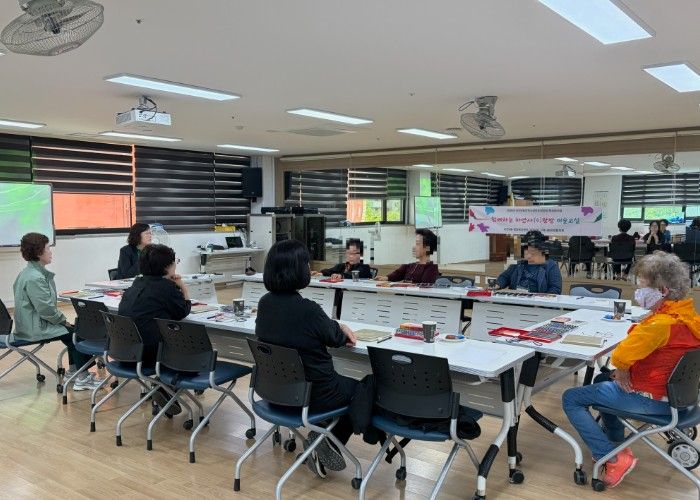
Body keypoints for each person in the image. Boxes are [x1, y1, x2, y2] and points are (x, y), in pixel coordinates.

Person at [562, 251, 700, 488]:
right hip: (682, 399)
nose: (638, 291)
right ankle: (615, 441)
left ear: (662, 290)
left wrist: (623, 369)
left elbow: (620, 355)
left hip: (653, 400)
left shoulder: (660, 325)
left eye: (642, 286)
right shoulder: (688, 317)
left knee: (571, 398)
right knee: (602, 380)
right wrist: (622, 371)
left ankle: (613, 458)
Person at [256, 239, 358, 478]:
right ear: (298, 270)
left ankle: (321, 435)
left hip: (275, 392)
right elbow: (338, 338)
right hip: (314, 394)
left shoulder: (264, 303)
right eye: (306, 263)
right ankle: (326, 442)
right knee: (363, 389)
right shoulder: (308, 309)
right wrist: (341, 326)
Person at [12, 233, 100, 390]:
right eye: (48, 249)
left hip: (32, 324)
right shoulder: (35, 278)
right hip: (35, 328)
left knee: (73, 332)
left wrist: (62, 321)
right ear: (39, 252)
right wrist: (62, 320)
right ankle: (82, 377)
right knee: (78, 334)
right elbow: (46, 309)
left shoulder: (28, 273)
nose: (51, 252)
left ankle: (74, 371)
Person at [118, 244, 191, 415]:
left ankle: (164, 385)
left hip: (124, 352)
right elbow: (182, 311)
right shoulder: (166, 288)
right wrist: (183, 287)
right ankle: (165, 385)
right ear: (168, 266)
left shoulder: (135, 284)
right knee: (187, 347)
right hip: (149, 355)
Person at [493, 230, 562, 294]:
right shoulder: (519, 263)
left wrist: (542, 299)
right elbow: (505, 277)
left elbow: (555, 288)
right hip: (517, 298)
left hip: (537, 301)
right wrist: (498, 284)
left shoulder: (551, 265)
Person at [375, 229, 439, 284]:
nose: (414, 247)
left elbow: (425, 287)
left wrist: (406, 285)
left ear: (427, 248)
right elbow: (398, 273)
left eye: (417, 244)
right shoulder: (410, 263)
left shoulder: (432, 267)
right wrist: (386, 278)